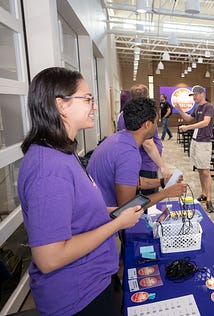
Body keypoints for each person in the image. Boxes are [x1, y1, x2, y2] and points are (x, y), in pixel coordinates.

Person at [17, 67, 144, 315]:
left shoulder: (62, 152)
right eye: (87, 99)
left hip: (93, 284)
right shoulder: (48, 169)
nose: (94, 107)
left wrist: (113, 212)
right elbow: (50, 258)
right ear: (61, 106)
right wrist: (116, 225)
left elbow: (76, 212)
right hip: (77, 297)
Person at [87, 97, 187, 208]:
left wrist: (162, 182)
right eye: (156, 121)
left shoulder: (120, 138)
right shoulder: (128, 154)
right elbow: (126, 208)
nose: (157, 125)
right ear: (147, 124)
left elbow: (130, 181)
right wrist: (166, 193)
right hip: (103, 217)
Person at [117, 84, 170, 195]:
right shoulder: (143, 116)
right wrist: (163, 167)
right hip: (145, 166)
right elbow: (148, 144)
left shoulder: (123, 114)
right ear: (146, 98)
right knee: (147, 202)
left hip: (135, 163)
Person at [175, 85, 214, 213]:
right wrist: (180, 110)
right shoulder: (197, 107)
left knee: (206, 172)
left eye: (195, 95)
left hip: (204, 142)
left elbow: (205, 122)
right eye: (193, 96)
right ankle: (203, 194)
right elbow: (188, 118)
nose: (194, 98)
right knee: (199, 169)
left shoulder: (209, 107)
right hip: (195, 141)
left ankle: (209, 200)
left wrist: (188, 128)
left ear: (201, 94)